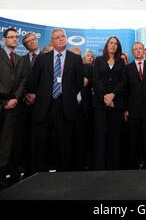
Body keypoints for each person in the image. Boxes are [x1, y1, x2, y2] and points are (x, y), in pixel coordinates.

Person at [27, 28, 84, 172]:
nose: (61, 39)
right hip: (45, 106)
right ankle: (40, 173)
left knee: (64, 143)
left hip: (65, 106)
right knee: (42, 142)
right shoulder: (42, 58)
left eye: (63, 36)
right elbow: (34, 81)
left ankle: (63, 174)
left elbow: (78, 83)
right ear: (52, 41)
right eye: (57, 37)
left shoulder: (75, 59)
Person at [9, 33, 41, 180]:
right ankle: (23, 172)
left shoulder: (48, 57)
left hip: (42, 105)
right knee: (23, 140)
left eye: (33, 40)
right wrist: (26, 94)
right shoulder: (21, 60)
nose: (31, 43)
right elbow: (18, 81)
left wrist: (37, 96)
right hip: (24, 105)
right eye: (28, 42)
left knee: (39, 140)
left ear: (37, 40)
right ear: (25, 45)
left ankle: (37, 170)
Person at [92, 36, 127, 170]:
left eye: (116, 44)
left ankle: (114, 166)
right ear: (107, 45)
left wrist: (113, 96)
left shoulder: (121, 62)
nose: (113, 46)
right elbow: (96, 81)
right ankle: (100, 166)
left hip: (116, 104)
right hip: (100, 104)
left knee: (114, 136)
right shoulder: (99, 60)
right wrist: (105, 98)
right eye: (111, 43)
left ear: (118, 47)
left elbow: (123, 82)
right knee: (100, 135)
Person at [125, 42, 146, 169]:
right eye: (135, 49)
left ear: (144, 51)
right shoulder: (127, 68)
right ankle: (134, 165)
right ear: (132, 53)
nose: (138, 51)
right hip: (133, 110)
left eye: (140, 49)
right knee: (133, 140)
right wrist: (126, 109)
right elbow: (125, 90)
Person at [0, 28, 25, 189]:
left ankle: (3, 177)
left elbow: (23, 80)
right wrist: (4, 102)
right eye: (12, 37)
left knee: (7, 144)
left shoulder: (19, 59)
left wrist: (16, 97)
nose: (15, 39)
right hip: (1, 102)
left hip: (13, 106)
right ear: (4, 39)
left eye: (17, 37)